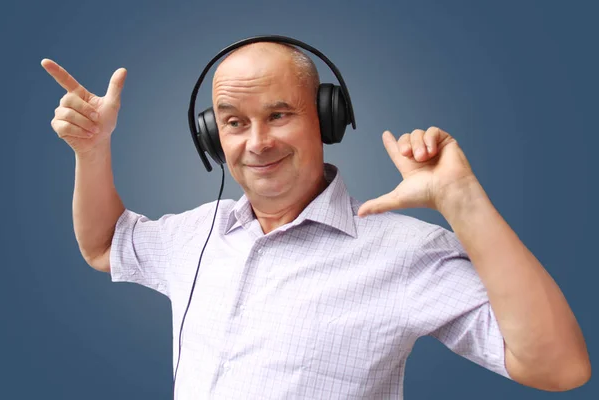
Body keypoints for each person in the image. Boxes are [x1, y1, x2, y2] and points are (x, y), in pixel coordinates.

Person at [41, 40, 591, 399]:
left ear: (327, 119)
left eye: (279, 115)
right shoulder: (198, 233)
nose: (256, 143)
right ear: (212, 136)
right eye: (234, 122)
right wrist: (92, 150)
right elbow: (103, 245)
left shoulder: (404, 251)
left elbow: (558, 367)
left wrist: (462, 200)